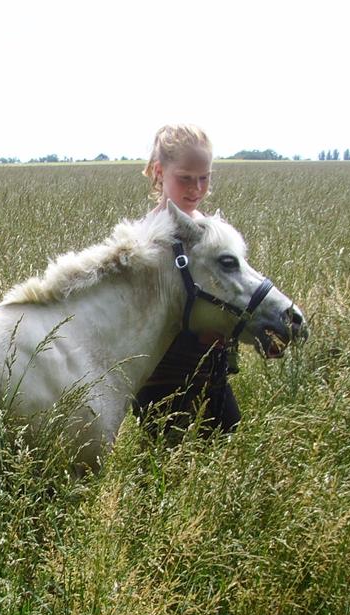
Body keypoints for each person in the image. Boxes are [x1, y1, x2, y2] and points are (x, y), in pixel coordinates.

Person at [133, 123, 241, 439]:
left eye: (204, 178)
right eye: (185, 178)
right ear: (158, 172)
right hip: (163, 376)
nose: (196, 188)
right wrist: (198, 332)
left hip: (211, 370)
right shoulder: (148, 237)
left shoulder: (209, 230)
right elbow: (145, 317)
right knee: (167, 455)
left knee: (227, 435)